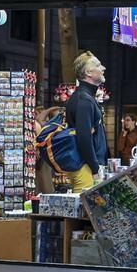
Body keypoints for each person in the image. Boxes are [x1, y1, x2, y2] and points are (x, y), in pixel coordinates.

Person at [63, 51, 108, 192]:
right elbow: (84, 138)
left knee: (87, 211)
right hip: (85, 167)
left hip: (86, 165)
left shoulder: (85, 97)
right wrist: (95, 169)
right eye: (98, 65)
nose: (103, 68)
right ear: (89, 72)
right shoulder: (84, 99)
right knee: (86, 211)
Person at [33, 106, 64, 195]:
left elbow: (40, 118)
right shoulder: (54, 126)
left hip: (45, 157)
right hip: (46, 156)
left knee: (44, 180)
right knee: (43, 180)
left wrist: (50, 109)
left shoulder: (52, 126)